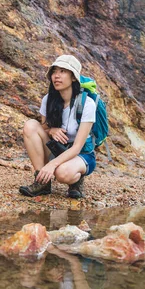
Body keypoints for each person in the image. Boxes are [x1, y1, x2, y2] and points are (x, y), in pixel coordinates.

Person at [19, 55, 97, 198]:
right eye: (54, 71)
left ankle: (77, 180)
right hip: (58, 148)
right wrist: (52, 130)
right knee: (30, 126)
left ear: (73, 77)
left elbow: (77, 147)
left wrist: (52, 164)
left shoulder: (87, 104)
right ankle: (41, 182)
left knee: (62, 173)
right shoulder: (48, 99)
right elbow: (43, 129)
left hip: (81, 154)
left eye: (62, 71)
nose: (56, 76)